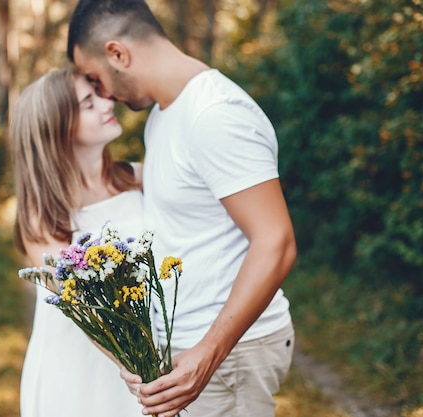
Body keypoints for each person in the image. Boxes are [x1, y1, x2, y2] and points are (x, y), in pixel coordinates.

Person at [66, 1, 298, 417]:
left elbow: (276, 242)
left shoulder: (215, 115)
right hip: (192, 347)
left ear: (118, 53)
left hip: (231, 356)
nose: (104, 94)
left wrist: (207, 354)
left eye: (96, 79)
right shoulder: (165, 113)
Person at [10, 65, 145, 417]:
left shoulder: (139, 177)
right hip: (81, 372)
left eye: (98, 93)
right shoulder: (44, 216)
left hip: (146, 352)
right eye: (89, 102)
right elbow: (82, 307)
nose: (106, 102)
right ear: (59, 129)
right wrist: (139, 368)